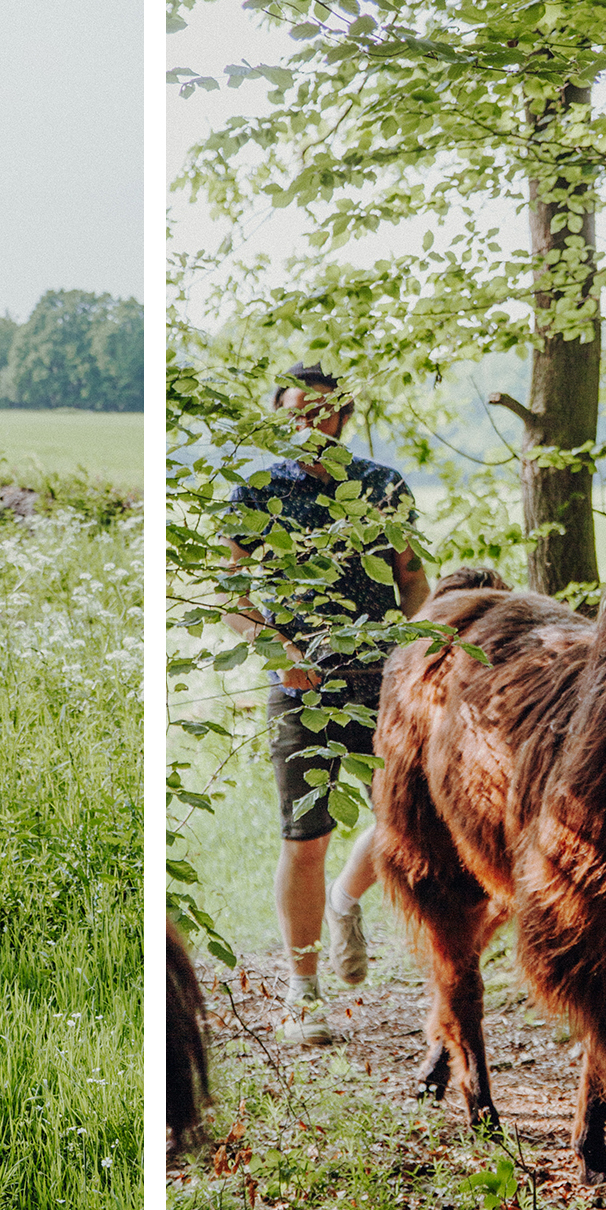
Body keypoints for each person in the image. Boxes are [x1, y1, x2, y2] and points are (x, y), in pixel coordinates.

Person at [227, 362, 428, 1047]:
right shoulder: (258, 491)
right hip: (299, 692)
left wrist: (406, 662)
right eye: (297, 410)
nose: (311, 421)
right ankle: (302, 993)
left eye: (324, 410)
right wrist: (280, 653)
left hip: (382, 684)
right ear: (280, 415)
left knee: (399, 819)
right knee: (303, 838)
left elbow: (413, 581)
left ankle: (347, 901)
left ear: (342, 415)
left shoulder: (381, 486)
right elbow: (231, 594)